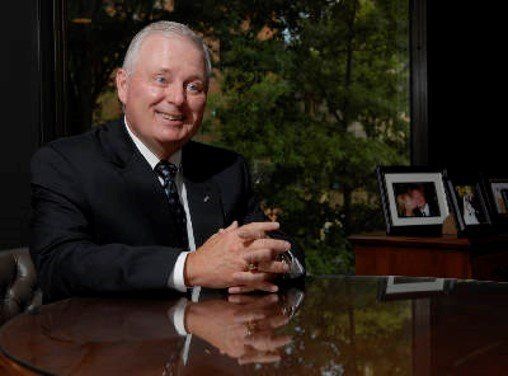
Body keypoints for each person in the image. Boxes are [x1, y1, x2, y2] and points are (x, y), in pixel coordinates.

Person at [30, 21, 305, 302]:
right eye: (161, 80)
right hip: (113, 341)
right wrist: (189, 267)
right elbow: (59, 265)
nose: (177, 99)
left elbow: (283, 246)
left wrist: (273, 264)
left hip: (215, 340)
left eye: (193, 87)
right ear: (123, 85)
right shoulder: (66, 163)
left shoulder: (226, 170)